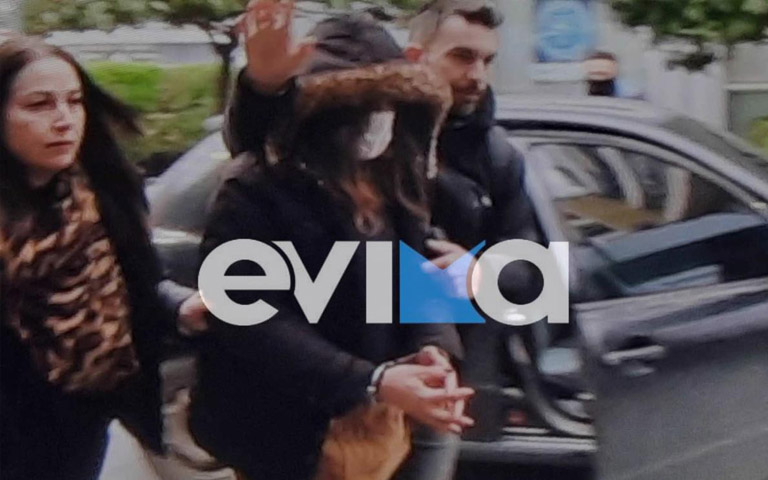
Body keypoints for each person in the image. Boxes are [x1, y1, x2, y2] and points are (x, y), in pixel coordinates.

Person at [224, 1, 543, 477]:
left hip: (429, 382)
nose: (477, 75)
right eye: (462, 56)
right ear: (415, 57)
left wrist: (471, 291)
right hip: (315, 401)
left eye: (487, 60)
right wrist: (263, 86)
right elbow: (260, 144)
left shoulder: (489, 158)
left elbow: (531, 270)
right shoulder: (281, 175)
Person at [189, 20, 475, 477]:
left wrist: (433, 348)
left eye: (389, 105)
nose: (378, 119)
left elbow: (419, 275)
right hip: (285, 435)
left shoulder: (396, 183)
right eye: (362, 107)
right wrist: (371, 380)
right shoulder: (255, 188)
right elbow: (247, 315)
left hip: (382, 429)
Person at [0, 36, 207, 480]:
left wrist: (180, 307)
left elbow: (139, 283)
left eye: (74, 102)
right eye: (39, 105)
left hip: (85, 414)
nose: (64, 119)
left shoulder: (104, 191)